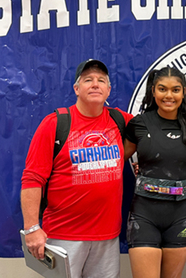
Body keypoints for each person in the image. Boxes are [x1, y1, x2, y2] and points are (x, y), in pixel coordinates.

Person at [21, 59, 132, 278]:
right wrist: (32, 228)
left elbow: (155, 126)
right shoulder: (55, 123)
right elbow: (33, 178)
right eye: (88, 80)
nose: (95, 84)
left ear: (108, 90)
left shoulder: (119, 120)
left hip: (107, 237)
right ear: (76, 88)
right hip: (64, 235)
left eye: (101, 80)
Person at [124, 66, 186, 278]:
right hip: (144, 216)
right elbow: (117, 162)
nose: (169, 95)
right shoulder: (139, 124)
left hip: (179, 217)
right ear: (153, 91)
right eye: (162, 89)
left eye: (175, 90)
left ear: (183, 92)